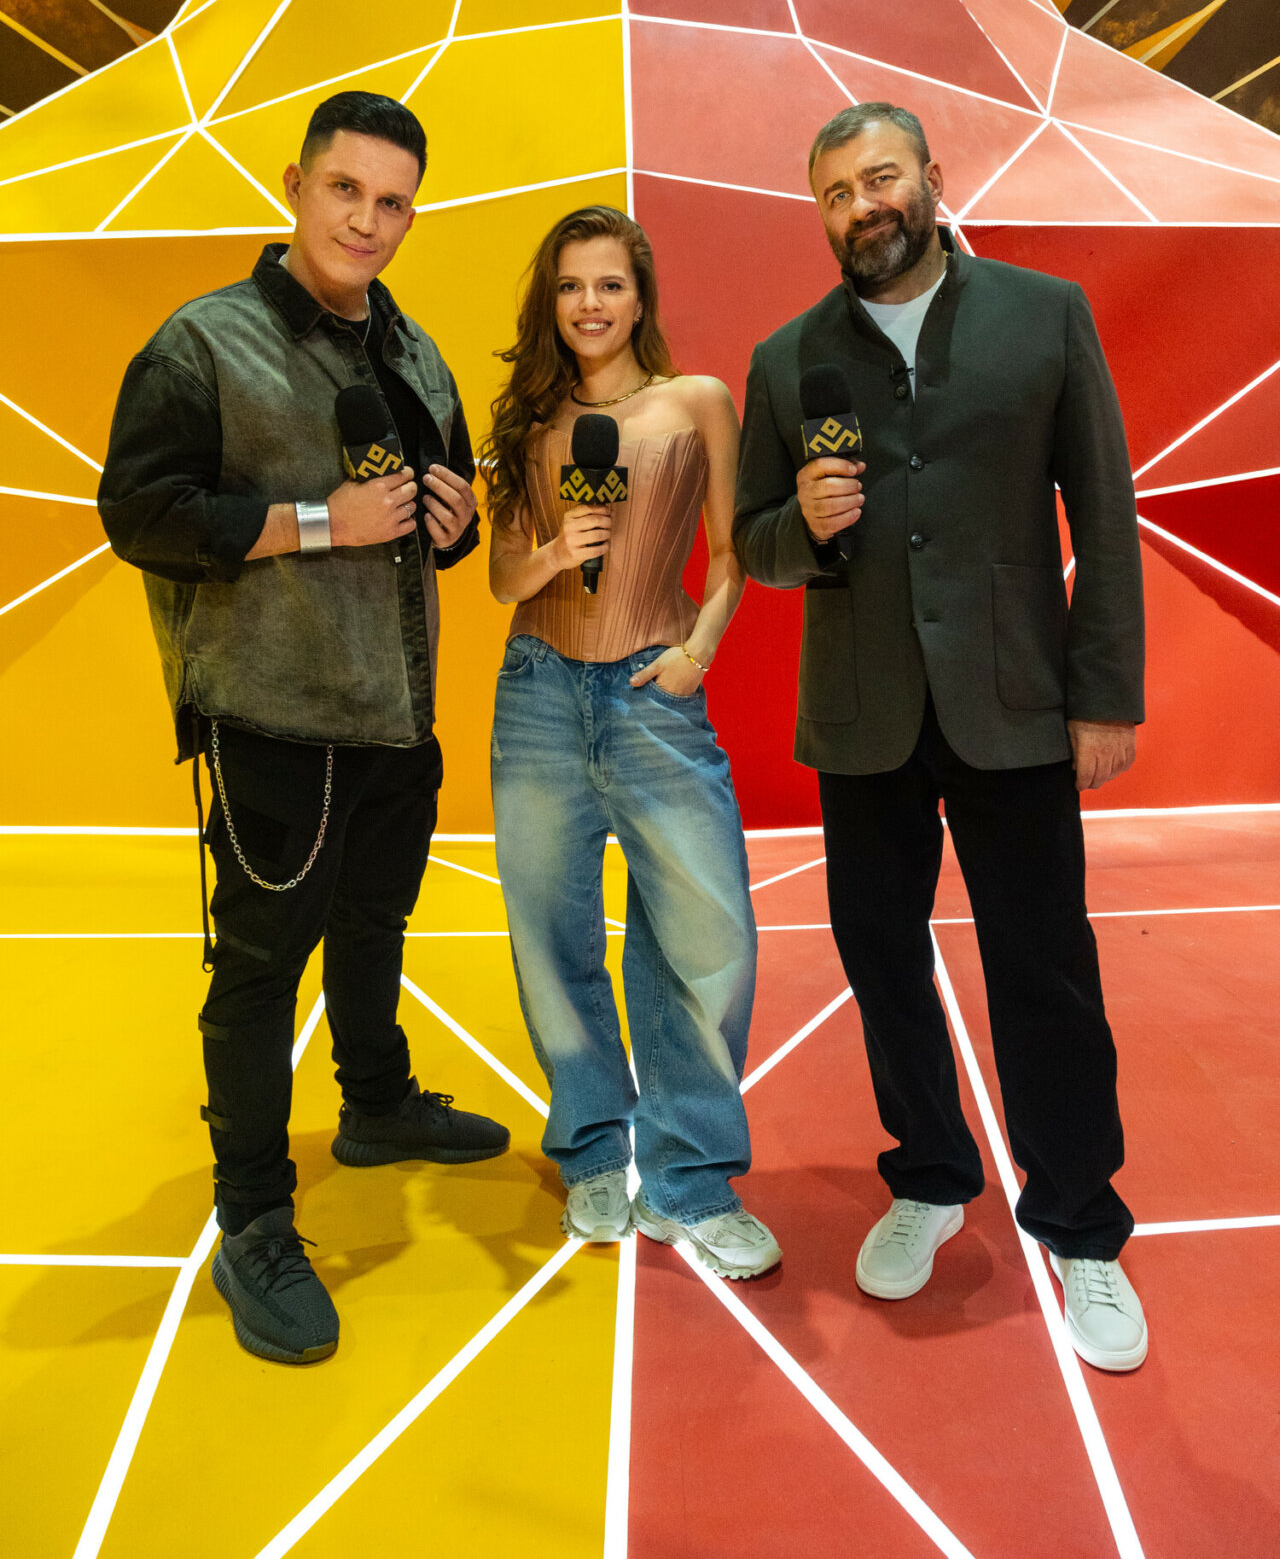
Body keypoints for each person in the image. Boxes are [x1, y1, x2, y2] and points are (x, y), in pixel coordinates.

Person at [734, 102, 1148, 1371]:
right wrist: (800, 523)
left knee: (1044, 967)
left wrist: (1102, 694)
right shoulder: (785, 359)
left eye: (879, 177)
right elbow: (753, 543)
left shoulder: (1044, 314)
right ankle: (925, 1173)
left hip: (1012, 701)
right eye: (835, 194)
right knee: (879, 958)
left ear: (928, 177)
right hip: (861, 714)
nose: (862, 207)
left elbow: (1103, 510)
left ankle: (1078, 1223)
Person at [98, 89, 509, 1365]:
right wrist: (319, 520)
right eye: (346, 190)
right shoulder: (200, 345)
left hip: (396, 713)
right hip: (269, 717)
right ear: (294, 185)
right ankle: (254, 1223)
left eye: (392, 203)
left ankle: (375, 1105)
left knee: (375, 927)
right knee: (258, 975)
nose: (367, 222)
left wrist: (453, 522)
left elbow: (439, 532)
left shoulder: (416, 353)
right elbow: (139, 515)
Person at [481, 204, 780, 1279]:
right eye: (570, 286)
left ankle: (691, 1180)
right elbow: (501, 576)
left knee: (707, 939)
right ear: (550, 301)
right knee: (551, 941)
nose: (590, 304)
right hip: (537, 696)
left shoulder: (697, 401)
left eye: (609, 283)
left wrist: (698, 650)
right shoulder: (524, 422)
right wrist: (554, 551)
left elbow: (730, 552)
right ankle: (595, 1156)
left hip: (656, 691)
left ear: (639, 295)